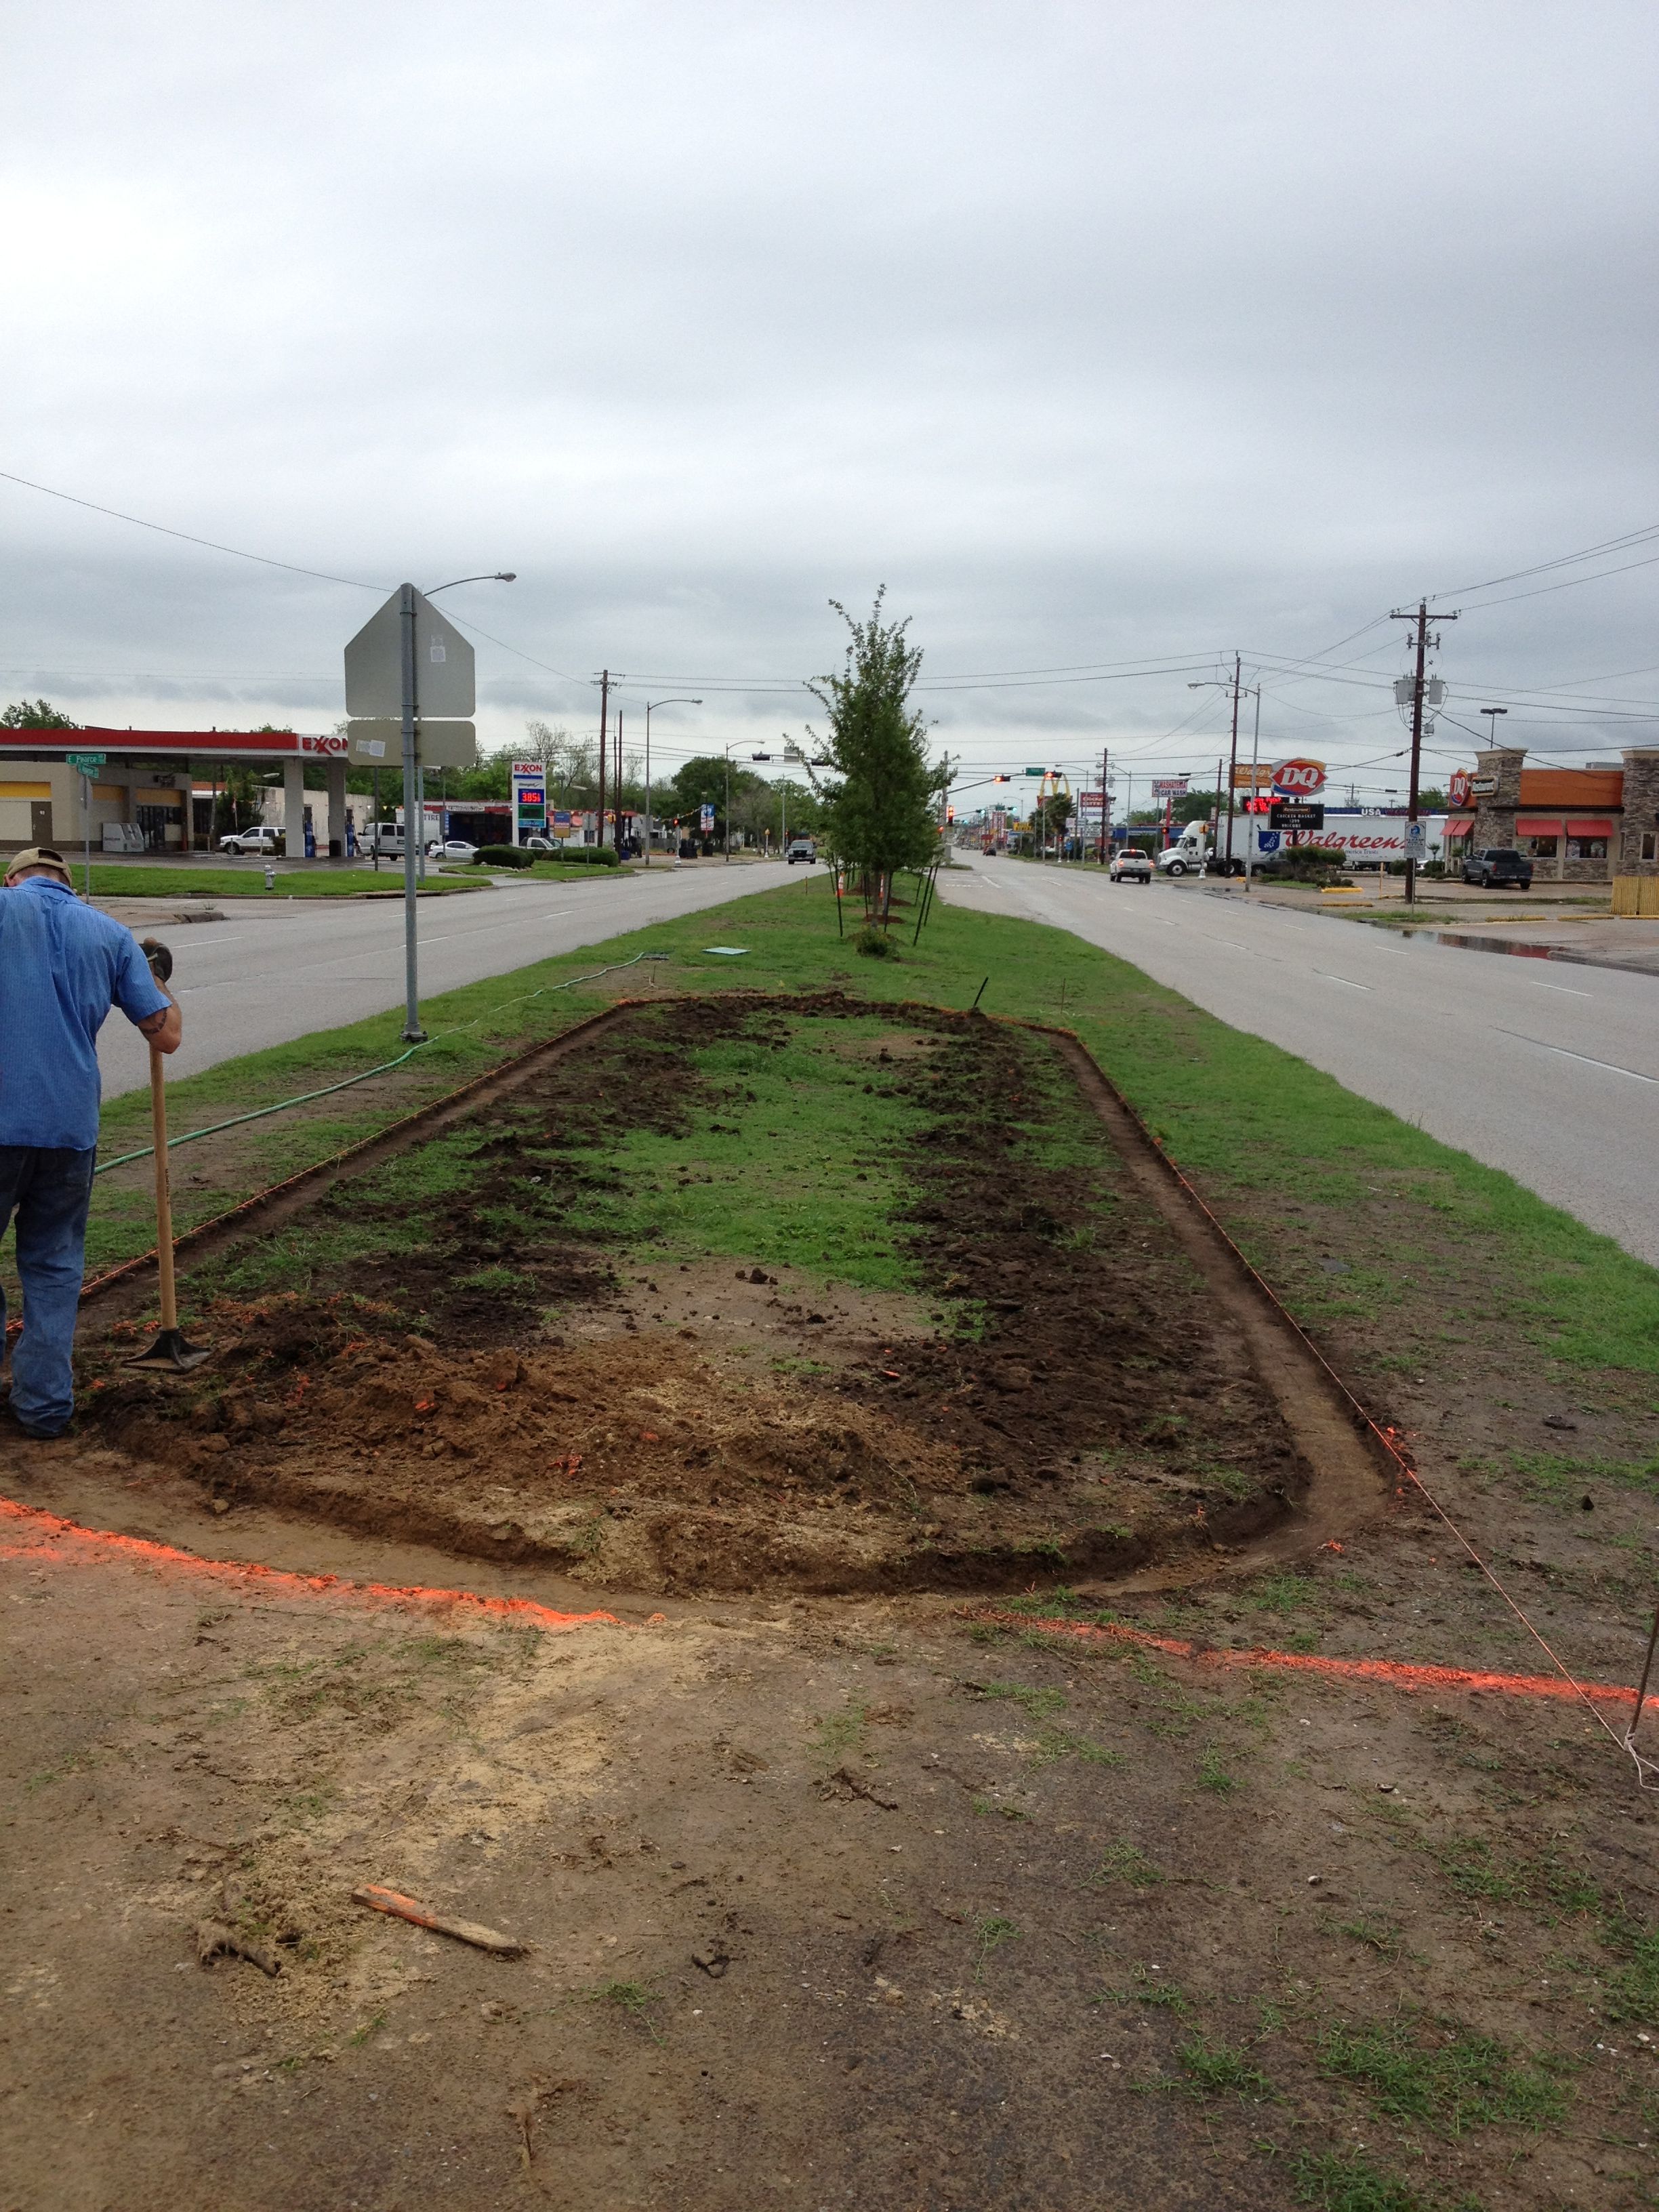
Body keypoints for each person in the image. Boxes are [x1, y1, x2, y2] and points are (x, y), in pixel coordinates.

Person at [0, 846, 181, 1438]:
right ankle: (45, 1407)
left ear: (12, 879)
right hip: (69, 1127)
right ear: (71, 887)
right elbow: (167, 1035)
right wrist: (150, 971)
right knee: (53, 1264)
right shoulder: (109, 932)